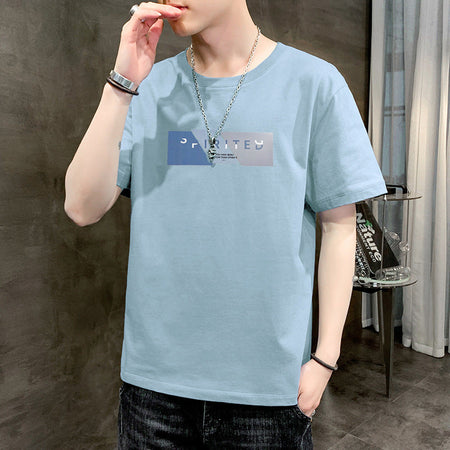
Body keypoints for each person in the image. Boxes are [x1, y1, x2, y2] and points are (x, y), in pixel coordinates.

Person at [64, 1, 387, 448]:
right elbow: (82, 208)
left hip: (268, 394)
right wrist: (121, 85)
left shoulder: (314, 82)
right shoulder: (147, 86)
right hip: (154, 392)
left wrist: (325, 359)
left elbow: (339, 226)